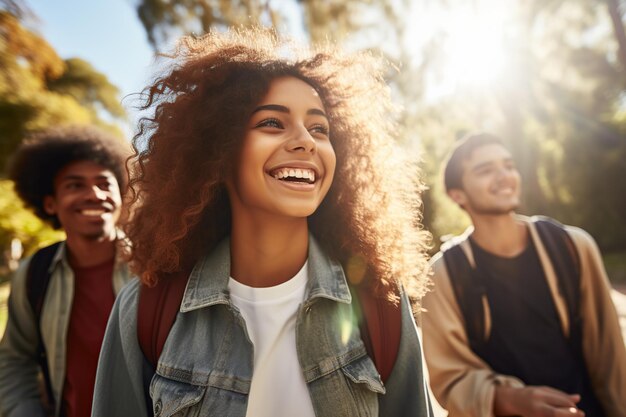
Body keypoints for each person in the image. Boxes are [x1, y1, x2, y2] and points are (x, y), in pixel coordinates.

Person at [91, 27, 433, 417]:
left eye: (320, 128)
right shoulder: (146, 310)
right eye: (272, 123)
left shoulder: (380, 299)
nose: (306, 141)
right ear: (219, 151)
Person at [421, 132, 626, 417]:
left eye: (508, 165)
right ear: (458, 195)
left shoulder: (573, 246)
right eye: (485, 170)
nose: (504, 176)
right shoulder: (442, 274)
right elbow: (449, 380)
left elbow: (611, 354)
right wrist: (509, 398)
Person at [0, 126, 132, 417]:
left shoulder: (157, 265)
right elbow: (14, 359)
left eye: (104, 184)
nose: (94, 194)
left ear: (121, 195)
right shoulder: (34, 273)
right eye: (75, 185)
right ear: (50, 203)